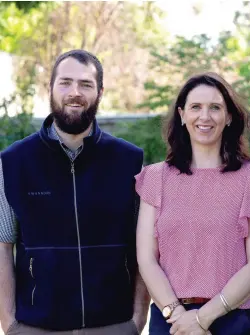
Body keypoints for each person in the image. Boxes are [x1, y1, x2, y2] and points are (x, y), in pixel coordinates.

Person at [0, 49, 150, 335]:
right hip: (36, 327)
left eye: (86, 84)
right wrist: (9, 324)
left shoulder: (129, 162)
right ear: (51, 88)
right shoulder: (13, 162)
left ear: (100, 92)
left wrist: (136, 320)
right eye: (65, 82)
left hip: (114, 325)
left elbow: (146, 244)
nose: (75, 92)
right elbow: (2, 245)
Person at [135, 72, 250, 335]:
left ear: (229, 116)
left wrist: (202, 318)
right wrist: (179, 316)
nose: (205, 116)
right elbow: (146, 259)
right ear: (181, 114)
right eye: (196, 107)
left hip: (232, 319)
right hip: (171, 322)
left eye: (215, 107)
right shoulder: (155, 178)